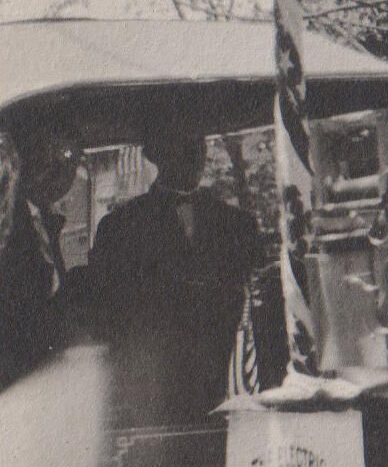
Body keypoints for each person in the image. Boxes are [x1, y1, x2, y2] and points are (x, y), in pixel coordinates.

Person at [87, 122, 263, 422]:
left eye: (200, 140)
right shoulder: (120, 228)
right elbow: (105, 319)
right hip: (151, 403)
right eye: (181, 142)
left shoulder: (238, 225)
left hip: (230, 396)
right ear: (155, 153)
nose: (195, 152)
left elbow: (257, 316)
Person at [0, 115, 82, 384]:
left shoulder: (45, 222)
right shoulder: (9, 223)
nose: (59, 174)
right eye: (49, 159)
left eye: (70, 161)